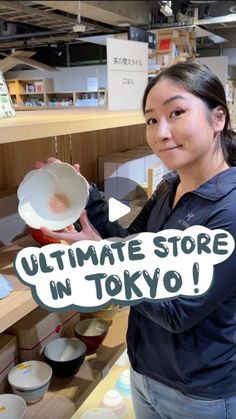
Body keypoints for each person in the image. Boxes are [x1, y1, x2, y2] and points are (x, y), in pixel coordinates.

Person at [39, 61, 236, 418]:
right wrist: (86, 195)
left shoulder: (230, 209)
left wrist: (103, 259)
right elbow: (132, 245)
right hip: (146, 373)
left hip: (200, 394)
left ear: (218, 118)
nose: (161, 132)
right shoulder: (170, 185)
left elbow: (179, 311)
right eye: (151, 119)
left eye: (176, 112)